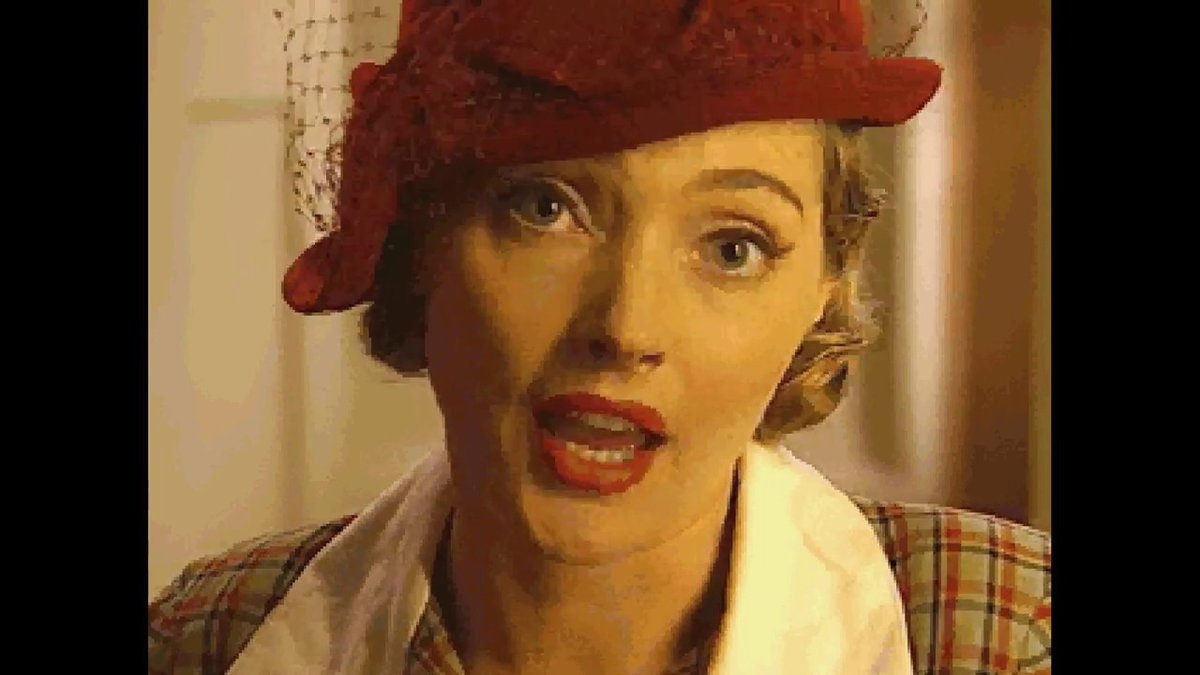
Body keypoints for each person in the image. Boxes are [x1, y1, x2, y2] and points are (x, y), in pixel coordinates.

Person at [149, 0, 1051, 673]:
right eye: (545, 208)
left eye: (732, 247)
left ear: (826, 287)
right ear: (422, 236)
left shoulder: (1007, 634)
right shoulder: (204, 638)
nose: (626, 326)